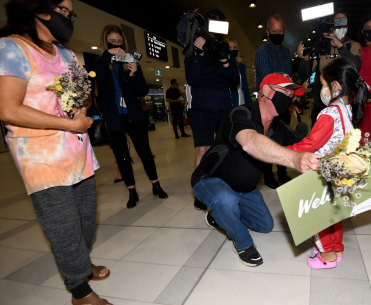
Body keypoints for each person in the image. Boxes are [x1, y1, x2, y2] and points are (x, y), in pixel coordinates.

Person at [0, 1, 112, 304]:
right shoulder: (11, 49)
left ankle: (82, 265)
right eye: (61, 8)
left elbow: (82, 95)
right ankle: (79, 291)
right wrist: (68, 126)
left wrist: (81, 105)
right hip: (41, 157)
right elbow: (8, 108)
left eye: (69, 11)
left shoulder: (64, 53)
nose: (67, 16)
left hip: (78, 153)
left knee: (85, 221)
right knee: (63, 226)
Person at [191, 73, 320, 267]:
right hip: (210, 180)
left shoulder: (278, 127)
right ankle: (242, 244)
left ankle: (218, 215)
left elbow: (303, 148)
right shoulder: (240, 113)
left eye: (291, 94)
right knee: (225, 200)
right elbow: (250, 143)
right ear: (267, 90)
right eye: (284, 90)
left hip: (244, 188)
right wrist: (293, 159)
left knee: (265, 225)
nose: (289, 97)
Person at [288, 58, 368, 268]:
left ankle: (327, 256)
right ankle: (337, 249)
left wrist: (285, 152)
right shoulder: (347, 108)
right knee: (335, 215)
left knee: (319, 217)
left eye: (323, 85)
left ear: (336, 86)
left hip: (323, 172)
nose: (322, 90)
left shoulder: (329, 113)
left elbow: (312, 142)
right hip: (341, 169)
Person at [94, 24, 168, 209]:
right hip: (114, 117)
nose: (117, 45)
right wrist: (107, 56)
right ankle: (132, 191)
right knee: (122, 156)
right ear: (105, 43)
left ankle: (156, 184)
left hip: (134, 114)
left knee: (144, 151)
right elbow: (98, 80)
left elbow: (142, 90)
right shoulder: (102, 63)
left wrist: (134, 73)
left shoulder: (131, 60)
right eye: (112, 42)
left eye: (120, 42)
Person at [185, 9, 239, 210]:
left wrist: (226, 62)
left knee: (225, 149)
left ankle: (224, 186)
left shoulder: (224, 49)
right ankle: (200, 192)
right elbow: (192, 79)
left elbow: (234, 81)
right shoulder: (194, 49)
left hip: (223, 106)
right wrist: (198, 55)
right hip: (201, 108)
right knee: (203, 149)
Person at [297, 11, 362, 126]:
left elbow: (356, 66)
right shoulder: (322, 46)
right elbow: (305, 75)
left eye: (343, 22)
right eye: (337, 22)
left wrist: (341, 47)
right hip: (322, 106)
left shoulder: (353, 45)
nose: (340, 26)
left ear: (347, 25)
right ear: (332, 26)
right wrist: (305, 59)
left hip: (345, 104)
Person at [255, 13, 295, 188]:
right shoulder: (263, 52)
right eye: (274, 31)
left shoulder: (286, 52)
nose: (278, 34)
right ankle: (268, 175)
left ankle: (282, 172)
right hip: (269, 107)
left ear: (284, 31)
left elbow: (290, 78)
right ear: (267, 32)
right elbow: (268, 81)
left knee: (284, 139)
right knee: (268, 141)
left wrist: (291, 102)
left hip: (285, 105)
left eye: (281, 31)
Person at [226, 38, 251, 107]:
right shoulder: (222, 66)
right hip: (230, 101)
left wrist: (249, 104)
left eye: (235, 47)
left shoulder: (241, 66)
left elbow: (245, 87)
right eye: (230, 47)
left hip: (242, 99)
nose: (232, 50)